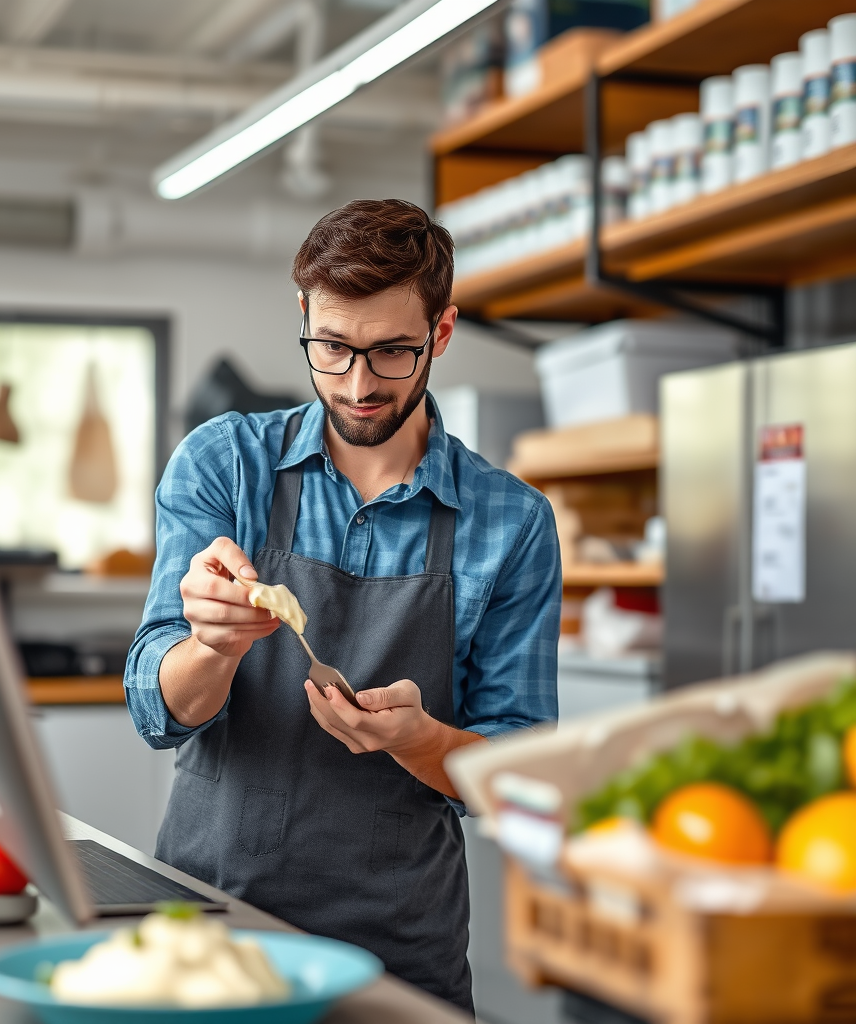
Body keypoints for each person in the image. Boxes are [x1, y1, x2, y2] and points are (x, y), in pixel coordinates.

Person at [125, 199, 560, 1013]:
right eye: (332, 348)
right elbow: (156, 710)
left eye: (393, 351)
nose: (359, 386)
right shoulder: (225, 464)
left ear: (442, 331)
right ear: (303, 316)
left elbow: (523, 775)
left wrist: (423, 741)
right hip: (212, 933)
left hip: (398, 952)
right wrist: (212, 648)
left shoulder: (512, 522)